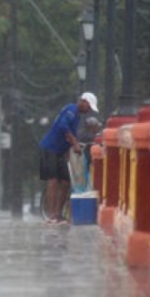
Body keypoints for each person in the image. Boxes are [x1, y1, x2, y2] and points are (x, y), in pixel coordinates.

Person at [37, 92, 98, 223]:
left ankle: (59, 214)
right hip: (49, 149)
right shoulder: (71, 110)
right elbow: (63, 126)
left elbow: (70, 134)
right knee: (53, 180)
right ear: (83, 102)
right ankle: (52, 214)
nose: (88, 111)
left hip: (61, 151)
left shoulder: (77, 117)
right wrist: (74, 143)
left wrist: (69, 150)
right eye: (89, 107)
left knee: (66, 182)